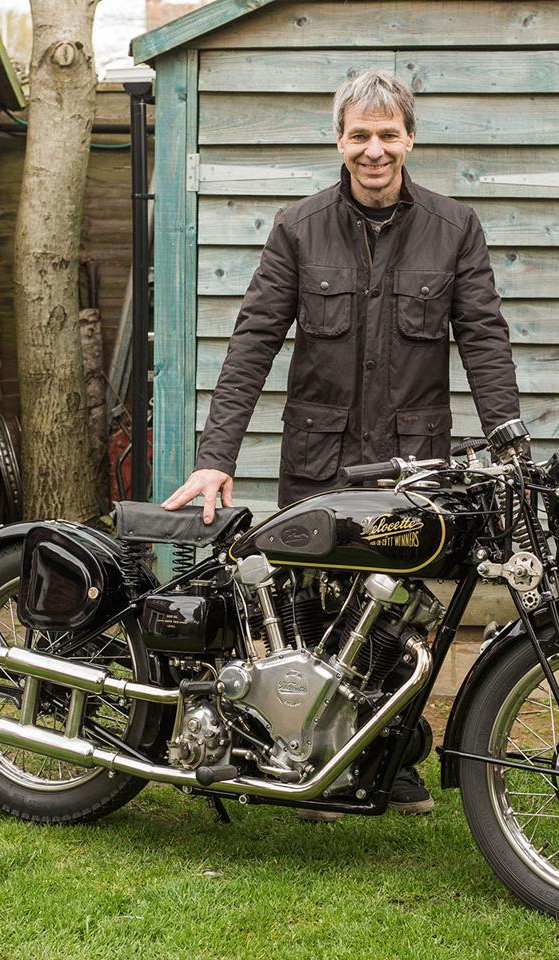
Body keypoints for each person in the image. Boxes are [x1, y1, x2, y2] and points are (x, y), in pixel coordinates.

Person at [161, 69, 522, 818]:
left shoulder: (455, 227)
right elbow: (253, 339)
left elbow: (484, 339)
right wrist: (214, 457)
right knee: (317, 614)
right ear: (339, 141)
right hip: (320, 460)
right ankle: (310, 755)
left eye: (388, 134)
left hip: (411, 459)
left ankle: (389, 761)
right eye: (359, 135)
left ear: (410, 139)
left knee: (401, 612)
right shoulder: (299, 227)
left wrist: (507, 441)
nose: (374, 150)